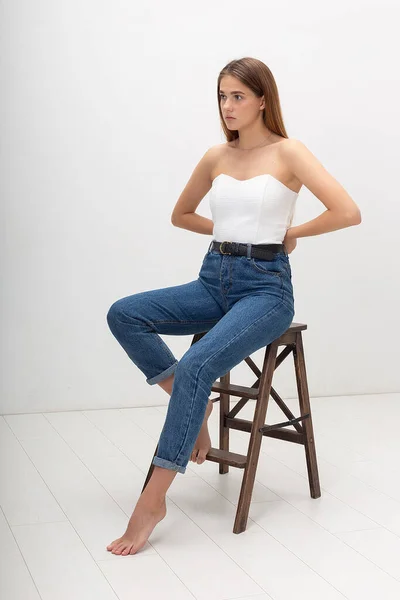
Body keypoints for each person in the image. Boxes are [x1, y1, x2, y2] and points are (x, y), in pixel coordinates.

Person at [105, 57, 361, 556]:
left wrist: (290, 234)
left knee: (199, 361)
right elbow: (181, 215)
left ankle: (151, 502)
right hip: (212, 278)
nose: (228, 107)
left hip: (266, 291)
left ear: (263, 99)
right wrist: (231, 236)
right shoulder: (215, 156)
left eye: (238, 97)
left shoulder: (290, 152)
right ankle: (188, 396)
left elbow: (347, 211)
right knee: (124, 313)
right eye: (222, 97)